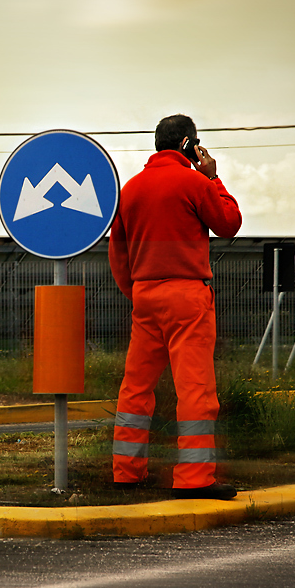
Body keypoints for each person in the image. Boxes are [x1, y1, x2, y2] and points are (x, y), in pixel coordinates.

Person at [108, 114, 242, 500]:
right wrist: (213, 177)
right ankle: (195, 478)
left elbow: (118, 252)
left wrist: (135, 294)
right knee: (195, 389)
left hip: (144, 297)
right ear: (188, 144)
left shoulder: (130, 190)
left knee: (135, 388)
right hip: (187, 298)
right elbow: (228, 223)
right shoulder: (195, 182)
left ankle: (126, 472)